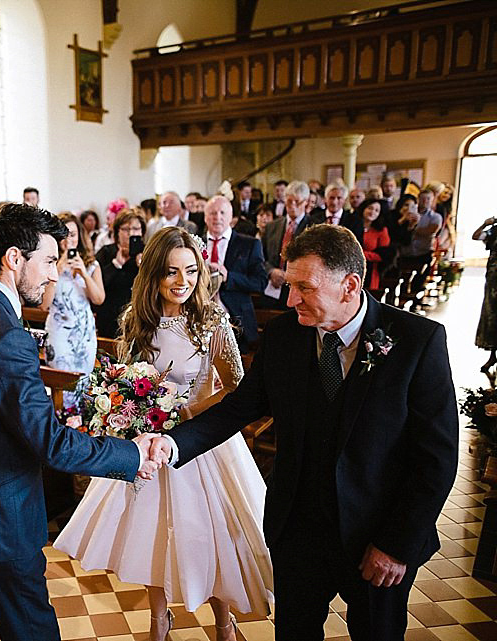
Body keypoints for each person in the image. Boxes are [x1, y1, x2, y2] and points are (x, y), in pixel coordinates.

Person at [149, 224, 458, 640]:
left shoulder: (416, 341)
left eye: (304, 287)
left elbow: (436, 458)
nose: (291, 299)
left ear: (349, 285)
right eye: (290, 285)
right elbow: (237, 408)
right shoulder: (284, 335)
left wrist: (396, 544)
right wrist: (170, 443)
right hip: (298, 531)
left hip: (376, 537)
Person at [0, 203, 160, 641]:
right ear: (14, 258)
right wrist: (130, 453)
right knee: (31, 629)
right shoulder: (6, 332)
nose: (54, 273)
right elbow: (48, 442)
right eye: (48, 260)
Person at [55, 227, 272, 641]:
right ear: (154, 274)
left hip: (203, 442)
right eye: (171, 272)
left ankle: (223, 620)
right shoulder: (137, 321)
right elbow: (126, 381)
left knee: (212, 534)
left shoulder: (212, 322)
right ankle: (159, 619)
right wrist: (124, 411)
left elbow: (238, 390)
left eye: (190, 271)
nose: (182, 281)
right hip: (149, 446)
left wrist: (186, 410)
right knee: (152, 534)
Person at [41, 213, 104, 404]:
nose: (69, 240)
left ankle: (82, 422)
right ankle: (63, 419)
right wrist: (57, 272)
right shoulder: (48, 265)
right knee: (63, 382)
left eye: (74, 234)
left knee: (85, 381)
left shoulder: (91, 263)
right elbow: (44, 304)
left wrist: (84, 274)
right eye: (65, 235)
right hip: (59, 333)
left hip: (84, 333)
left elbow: (99, 299)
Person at [204, 195, 268, 352]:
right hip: (200, 324)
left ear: (231, 217)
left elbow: (260, 282)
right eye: (212, 213)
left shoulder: (249, 244)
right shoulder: (194, 244)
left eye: (222, 213)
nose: (217, 217)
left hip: (237, 325)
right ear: (205, 217)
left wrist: (229, 277)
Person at [262, 181, 316, 310]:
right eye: (289, 201)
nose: (292, 206)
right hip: (272, 287)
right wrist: (271, 271)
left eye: (297, 202)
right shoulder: (272, 226)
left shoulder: (315, 228)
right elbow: (261, 257)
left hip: (300, 291)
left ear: (306, 202)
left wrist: (290, 276)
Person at [95, 209, 146, 339]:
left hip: (139, 317)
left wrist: (143, 266)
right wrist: (116, 264)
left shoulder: (148, 252)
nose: (131, 233)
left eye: (135, 229)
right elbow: (97, 286)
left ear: (142, 231)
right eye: (126, 229)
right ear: (117, 231)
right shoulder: (106, 253)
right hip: (110, 317)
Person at [474, 216, 497, 373]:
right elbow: (476, 236)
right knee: (492, 315)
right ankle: (493, 354)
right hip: (494, 280)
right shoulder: (494, 231)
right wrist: (484, 223)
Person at [360, 198, 391, 294]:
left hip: (371, 269)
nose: (372, 212)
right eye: (370, 208)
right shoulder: (353, 224)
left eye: (376, 210)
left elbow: (382, 255)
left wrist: (360, 254)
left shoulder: (381, 230)